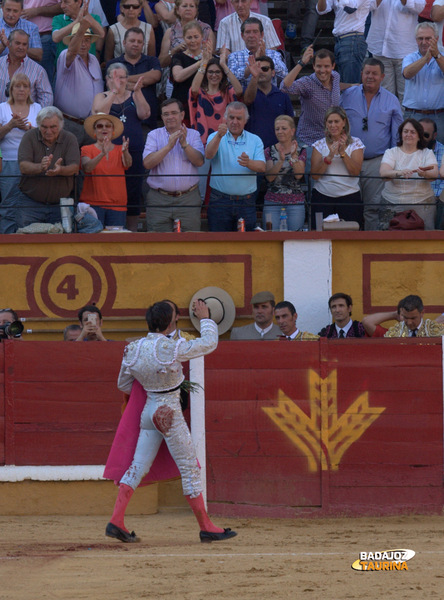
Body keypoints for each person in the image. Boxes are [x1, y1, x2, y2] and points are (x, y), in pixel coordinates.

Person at [104, 299, 237, 544]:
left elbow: (123, 384)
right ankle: (206, 526)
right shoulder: (171, 347)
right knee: (189, 468)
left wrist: (149, 383)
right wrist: (206, 318)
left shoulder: (132, 349)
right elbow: (209, 343)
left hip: (148, 412)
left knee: (137, 465)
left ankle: (116, 520)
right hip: (170, 412)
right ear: (169, 322)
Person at [340, 57, 403, 230]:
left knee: (372, 208)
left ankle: (369, 241)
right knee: (348, 205)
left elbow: (396, 135)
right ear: (361, 74)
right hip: (348, 159)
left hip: (377, 161)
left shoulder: (392, 100)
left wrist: (390, 163)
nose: (370, 76)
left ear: (382, 76)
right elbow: (336, 124)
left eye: (375, 74)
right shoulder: (346, 96)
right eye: (367, 72)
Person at [92, 63, 150, 231]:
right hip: (108, 153)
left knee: (133, 192)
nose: (119, 80)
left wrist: (138, 93)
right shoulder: (101, 96)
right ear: (108, 79)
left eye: (122, 77)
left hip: (133, 151)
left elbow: (145, 113)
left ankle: (131, 232)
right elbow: (99, 114)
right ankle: (108, 229)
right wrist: (114, 93)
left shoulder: (134, 94)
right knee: (109, 190)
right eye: (115, 77)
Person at [143, 98, 204, 232]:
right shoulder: (154, 135)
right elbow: (147, 163)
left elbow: (199, 161)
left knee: (191, 241)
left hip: (188, 198)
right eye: (166, 114)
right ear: (161, 117)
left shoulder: (193, 134)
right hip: (159, 199)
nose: (170, 117)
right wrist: (169, 146)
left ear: (182, 115)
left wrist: (184, 145)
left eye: (174, 113)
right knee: (157, 242)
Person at [189, 47, 242, 199]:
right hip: (202, 140)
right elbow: (193, 89)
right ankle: (198, 212)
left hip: (225, 141)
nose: (213, 75)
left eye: (217, 72)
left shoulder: (228, 91)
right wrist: (204, 63)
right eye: (210, 72)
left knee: (224, 179)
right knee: (200, 182)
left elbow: (239, 91)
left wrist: (224, 66)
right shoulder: (200, 91)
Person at [205, 101, 265, 231]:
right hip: (220, 201)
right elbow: (208, 155)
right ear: (225, 119)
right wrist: (219, 136)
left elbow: (262, 167)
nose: (235, 122)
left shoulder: (255, 139)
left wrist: (249, 163)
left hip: (246, 202)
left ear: (245, 121)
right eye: (231, 117)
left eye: (239, 118)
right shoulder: (214, 136)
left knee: (246, 244)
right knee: (219, 244)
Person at [16, 105, 79, 228]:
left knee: (62, 244)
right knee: (25, 241)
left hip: (61, 204)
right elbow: (23, 166)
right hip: (30, 203)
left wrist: (60, 170)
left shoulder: (70, 138)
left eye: (53, 127)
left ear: (60, 125)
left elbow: (75, 167)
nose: (48, 131)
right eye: (44, 127)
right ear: (38, 125)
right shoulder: (29, 136)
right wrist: (40, 167)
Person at [379, 118, 438, 230]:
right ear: (401, 134)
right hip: (392, 203)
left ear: (419, 136)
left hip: (422, 203)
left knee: (424, 241)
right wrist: (399, 172)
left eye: (412, 132)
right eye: (405, 131)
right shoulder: (391, 152)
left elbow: (434, 174)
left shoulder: (427, 153)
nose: (408, 135)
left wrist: (424, 174)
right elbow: (384, 173)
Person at [310, 106, 365, 228]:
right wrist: (329, 157)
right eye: (330, 122)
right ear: (326, 124)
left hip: (349, 197)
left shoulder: (356, 143)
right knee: (319, 235)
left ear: (344, 123)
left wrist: (342, 152)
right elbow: (315, 175)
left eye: (336, 121)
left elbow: (355, 172)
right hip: (323, 197)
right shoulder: (319, 145)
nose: (333, 125)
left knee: (350, 236)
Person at [0, 73, 41, 233]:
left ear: (30, 90)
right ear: (11, 89)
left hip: (32, 162)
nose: (21, 89)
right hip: (8, 162)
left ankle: (27, 239)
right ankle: (7, 240)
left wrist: (29, 129)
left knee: (29, 204)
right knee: (8, 203)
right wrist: (10, 125)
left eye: (25, 86)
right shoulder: (2, 108)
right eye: (17, 86)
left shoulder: (37, 108)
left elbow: (45, 135)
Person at [280, 48, 340, 157]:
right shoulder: (307, 83)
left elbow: (338, 87)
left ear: (333, 66)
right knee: (311, 174)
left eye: (326, 66)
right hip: (309, 142)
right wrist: (301, 63)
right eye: (319, 66)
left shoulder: (335, 76)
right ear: (313, 66)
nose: (322, 70)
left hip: (330, 141)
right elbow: (284, 87)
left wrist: (353, 86)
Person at [54, 19, 104, 146]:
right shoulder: (65, 55)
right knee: (70, 164)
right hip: (69, 124)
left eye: (87, 40)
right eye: (79, 39)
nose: (83, 43)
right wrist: (82, 28)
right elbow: (72, 52)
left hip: (92, 124)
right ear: (71, 42)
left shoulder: (94, 60)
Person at [366, 0, 424, 104]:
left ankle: (405, 121)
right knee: (384, 96)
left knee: (405, 97)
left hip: (405, 51)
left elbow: (420, 7)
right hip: (380, 48)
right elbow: (366, 6)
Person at [106, 26, 162, 133]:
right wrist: (143, 82)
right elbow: (112, 85)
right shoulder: (113, 64)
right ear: (124, 42)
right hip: (119, 124)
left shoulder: (152, 61)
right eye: (132, 41)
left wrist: (121, 80)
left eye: (139, 42)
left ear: (143, 45)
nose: (136, 44)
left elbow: (155, 76)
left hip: (147, 123)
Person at [80, 113, 132, 227]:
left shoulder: (120, 149)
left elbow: (128, 164)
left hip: (117, 206)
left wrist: (125, 152)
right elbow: (87, 167)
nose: (104, 128)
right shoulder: (86, 149)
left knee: (116, 242)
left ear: (112, 130)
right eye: (99, 126)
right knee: (93, 242)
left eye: (108, 126)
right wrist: (102, 154)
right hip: (93, 205)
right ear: (94, 131)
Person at [261, 115, 306, 231]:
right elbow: (270, 178)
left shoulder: (301, 150)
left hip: (295, 203)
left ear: (292, 131)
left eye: (284, 128)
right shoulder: (269, 150)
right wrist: (280, 161)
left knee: (295, 239)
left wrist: (293, 156)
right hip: (273, 202)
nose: (280, 131)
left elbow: (299, 174)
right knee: (271, 237)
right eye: (277, 129)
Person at [402, 22, 444, 144]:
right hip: (413, 114)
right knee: (410, 152)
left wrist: (436, 55)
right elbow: (407, 73)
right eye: (420, 38)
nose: (424, 42)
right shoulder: (409, 57)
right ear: (416, 40)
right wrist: (426, 58)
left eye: (428, 39)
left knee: (440, 154)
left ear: (436, 39)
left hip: (439, 115)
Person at [244, 56, 294, 151]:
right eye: (257, 69)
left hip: (277, 151)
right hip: (251, 149)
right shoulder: (248, 92)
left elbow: (290, 124)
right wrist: (254, 77)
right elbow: (248, 100)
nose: (261, 72)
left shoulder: (283, 96)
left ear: (273, 72)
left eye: (265, 69)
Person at [316, 0, 371, 84]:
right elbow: (321, 10)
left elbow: (350, 8)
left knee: (350, 85)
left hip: (353, 40)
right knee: (342, 85)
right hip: (340, 40)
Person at [226, 17, 287, 88]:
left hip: (268, 97)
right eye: (248, 32)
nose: (251, 36)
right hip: (244, 97)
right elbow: (230, 79)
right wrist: (250, 68)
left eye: (255, 32)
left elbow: (284, 74)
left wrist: (265, 58)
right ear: (242, 36)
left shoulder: (274, 54)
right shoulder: (234, 56)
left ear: (262, 34)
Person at [0, 29, 53, 106]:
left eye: (24, 44)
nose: (21, 47)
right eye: (17, 43)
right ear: (8, 43)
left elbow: (47, 98)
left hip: (27, 117)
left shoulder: (38, 70)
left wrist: (35, 116)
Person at [158, 0, 215, 69]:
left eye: (191, 6)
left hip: (201, 71)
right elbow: (161, 63)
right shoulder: (170, 32)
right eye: (184, 6)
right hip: (175, 71)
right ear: (177, 10)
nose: (188, 9)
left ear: (196, 10)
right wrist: (174, 51)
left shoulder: (206, 30)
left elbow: (212, 57)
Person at [170, 20, 207, 123]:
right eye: (189, 37)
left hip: (203, 103)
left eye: (196, 37)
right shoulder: (178, 57)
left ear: (202, 36)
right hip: (182, 103)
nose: (193, 41)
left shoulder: (209, 58)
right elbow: (178, 76)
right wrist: (201, 63)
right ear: (184, 38)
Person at [21, 0, 63, 87]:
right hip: (24, 38)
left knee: (43, 81)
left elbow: (63, 6)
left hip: (45, 36)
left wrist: (37, 11)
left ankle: (45, 100)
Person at [419, 118, 444, 228]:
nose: (421, 138)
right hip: (415, 198)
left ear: (435, 135)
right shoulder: (408, 151)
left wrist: (435, 197)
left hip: (438, 201)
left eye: (425, 135)